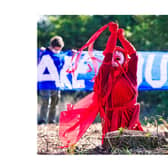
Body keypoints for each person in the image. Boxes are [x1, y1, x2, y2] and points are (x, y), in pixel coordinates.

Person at [58, 22, 143, 147]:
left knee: (132, 143)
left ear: (125, 60)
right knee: (113, 145)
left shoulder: (130, 74)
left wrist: (122, 39)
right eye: (115, 53)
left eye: (120, 53)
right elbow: (108, 54)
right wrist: (113, 35)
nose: (116, 54)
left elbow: (134, 55)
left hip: (129, 115)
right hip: (111, 116)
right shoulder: (105, 73)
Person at [38, 36, 64, 124]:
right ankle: (42, 120)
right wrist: (40, 52)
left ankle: (51, 121)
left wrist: (72, 54)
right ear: (51, 47)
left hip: (56, 83)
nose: (57, 52)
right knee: (45, 102)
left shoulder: (61, 55)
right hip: (45, 83)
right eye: (55, 50)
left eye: (59, 50)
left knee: (55, 102)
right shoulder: (44, 53)